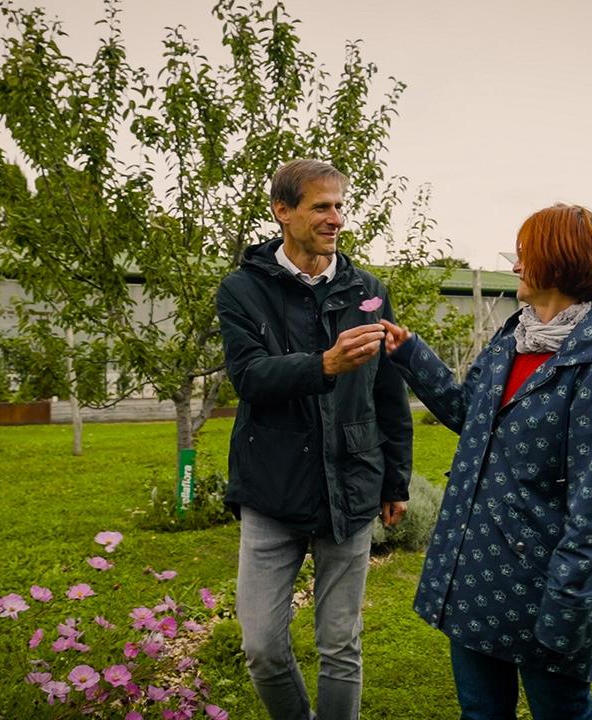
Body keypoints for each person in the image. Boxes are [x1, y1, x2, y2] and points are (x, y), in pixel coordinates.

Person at [380, 203, 592, 720]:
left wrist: (567, 606)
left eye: (525, 255)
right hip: (476, 565)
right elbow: (467, 414)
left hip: (543, 582)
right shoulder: (512, 339)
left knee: (561, 713)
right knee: (480, 713)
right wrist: (411, 353)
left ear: (557, 262)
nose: (516, 266)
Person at [215, 159, 413, 720]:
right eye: (321, 206)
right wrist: (323, 363)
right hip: (272, 486)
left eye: (340, 206)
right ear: (282, 211)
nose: (336, 219)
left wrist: (395, 478)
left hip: (350, 484)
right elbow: (249, 377)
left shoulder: (367, 290)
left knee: (340, 645)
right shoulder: (243, 290)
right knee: (262, 649)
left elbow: (387, 392)